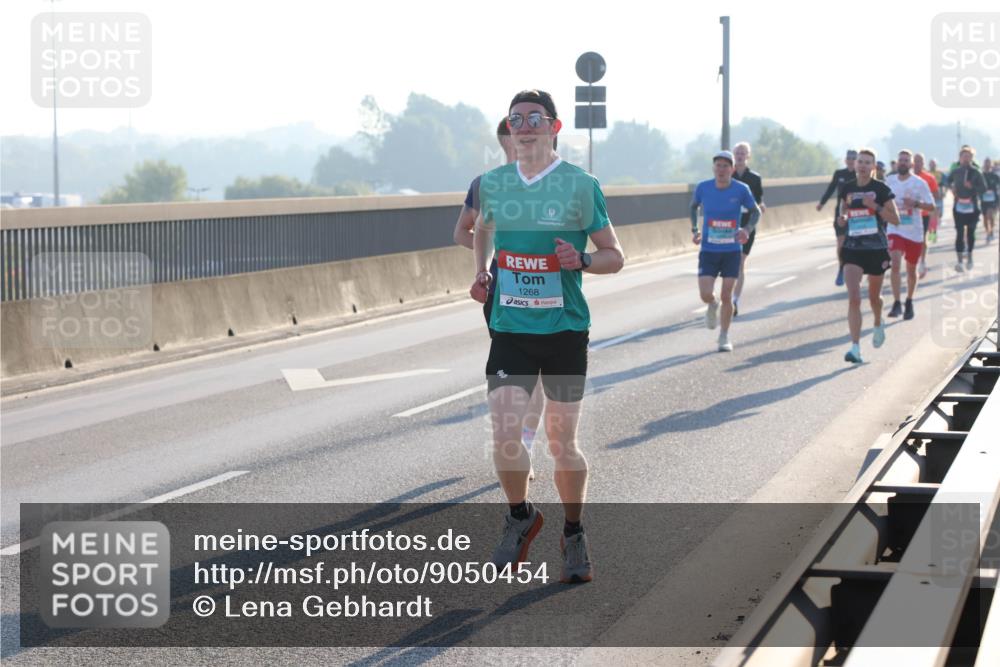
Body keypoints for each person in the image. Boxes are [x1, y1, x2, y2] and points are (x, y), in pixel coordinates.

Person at [472, 89, 624, 583]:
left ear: (554, 127)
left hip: (563, 331)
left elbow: (614, 255)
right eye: (516, 119)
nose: (524, 126)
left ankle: (574, 531)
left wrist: (580, 260)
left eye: (534, 118)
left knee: (561, 440)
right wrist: (483, 272)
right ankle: (521, 517)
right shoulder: (493, 183)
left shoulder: (580, 185)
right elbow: (481, 228)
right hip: (510, 326)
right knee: (504, 432)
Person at [454, 120, 540, 480]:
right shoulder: (485, 184)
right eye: (512, 134)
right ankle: (516, 437)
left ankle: (526, 442)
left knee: (537, 373)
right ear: (504, 140)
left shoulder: (554, 182)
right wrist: (487, 261)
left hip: (545, 290)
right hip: (502, 290)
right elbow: (462, 232)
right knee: (514, 371)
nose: (519, 139)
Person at [691, 149, 761, 352]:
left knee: (727, 295)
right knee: (705, 293)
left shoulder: (741, 189)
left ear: (732, 169)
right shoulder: (703, 187)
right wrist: (695, 229)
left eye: (725, 166)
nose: (721, 170)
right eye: (718, 166)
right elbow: (693, 206)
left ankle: (724, 336)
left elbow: (755, 211)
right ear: (714, 168)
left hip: (731, 250)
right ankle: (712, 305)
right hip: (709, 250)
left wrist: (746, 229)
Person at [837, 148, 900, 363]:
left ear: (873, 167)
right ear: (854, 165)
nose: (862, 165)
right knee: (854, 297)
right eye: (860, 162)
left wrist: (875, 206)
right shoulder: (847, 188)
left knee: (874, 297)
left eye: (867, 162)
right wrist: (843, 218)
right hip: (852, 249)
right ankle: (855, 348)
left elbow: (895, 219)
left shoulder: (881, 189)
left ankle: (877, 321)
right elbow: (843, 210)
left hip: (876, 250)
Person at [885, 150, 934, 320]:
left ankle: (909, 300)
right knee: (896, 263)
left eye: (906, 160)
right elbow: (881, 201)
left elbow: (931, 207)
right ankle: (897, 303)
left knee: (911, 270)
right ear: (897, 163)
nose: (903, 163)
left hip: (914, 231)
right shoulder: (889, 181)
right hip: (895, 228)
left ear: (912, 165)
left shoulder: (919, 183)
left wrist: (915, 203)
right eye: (901, 160)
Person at [731, 141, 765, 317]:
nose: (740, 155)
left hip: (747, 225)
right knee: (728, 264)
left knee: (740, 263)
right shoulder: (727, 175)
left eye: (743, 153)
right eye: (737, 152)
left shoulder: (755, 178)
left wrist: (761, 206)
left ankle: (734, 300)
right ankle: (725, 296)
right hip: (729, 224)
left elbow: (758, 202)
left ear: (748, 156)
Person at [817, 149, 857, 286]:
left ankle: (857, 270)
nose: (851, 160)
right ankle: (841, 268)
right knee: (841, 242)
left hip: (857, 213)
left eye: (854, 158)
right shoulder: (839, 174)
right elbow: (830, 188)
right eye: (849, 158)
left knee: (856, 243)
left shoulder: (860, 175)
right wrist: (821, 203)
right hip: (840, 211)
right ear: (845, 160)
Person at [947, 146, 987, 271]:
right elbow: (947, 181)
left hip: (973, 206)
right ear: (960, 158)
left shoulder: (976, 172)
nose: (966, 159)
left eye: (968, 157)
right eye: (964, 156)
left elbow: (984, 188)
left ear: (972, 158)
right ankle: (959, 261)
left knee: (970, 233)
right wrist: (951, 187)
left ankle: (969, 256)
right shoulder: (956, 171)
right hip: (958, 206)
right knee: (959, 233)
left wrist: (973, 186)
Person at [912, 153, 939, 278]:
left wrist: (925, 202)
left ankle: (922, 262)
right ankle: (912, 262)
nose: (917, 163)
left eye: (920, 161)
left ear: (923, 163)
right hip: (908, 214)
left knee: (922, 238)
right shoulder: (906, 177)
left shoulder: (929, 178)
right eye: (915, 161)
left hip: (923, 213)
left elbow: (935, 195)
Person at [928, 158, 946, 244]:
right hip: (930, 199)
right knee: (932, 217)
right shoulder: (926, 174)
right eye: (931, 164)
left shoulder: (940, 174)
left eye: (934, 164)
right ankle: (932, 234)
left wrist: (944, 193)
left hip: (939, 198)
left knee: (938, 216)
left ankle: (933, 232)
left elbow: (945, 185)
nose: (932, 165)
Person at [982, 158, 998, 243]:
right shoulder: (981, 176)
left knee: (990, 215)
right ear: (984, 165)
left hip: (993, 199)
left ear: (991, 165)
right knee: (985, 218)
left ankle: (991, 231)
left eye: (989, 163)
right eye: (986, 163)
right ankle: (988, 232)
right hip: (983, 200)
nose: (987, 165)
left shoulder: (995, 176)